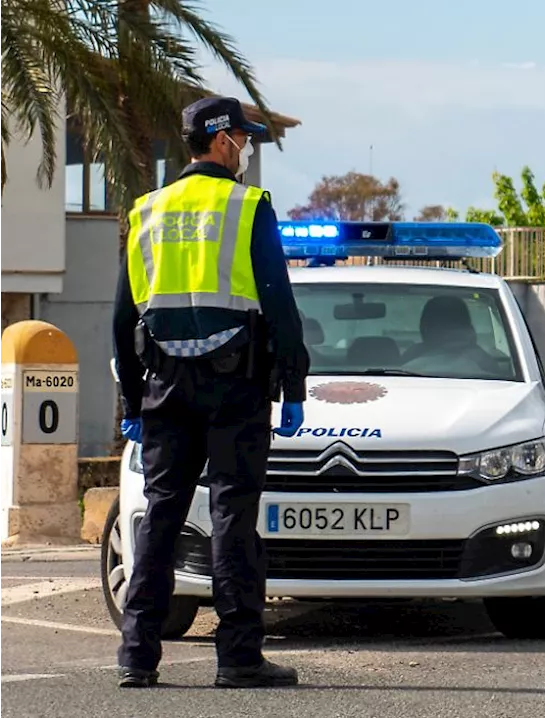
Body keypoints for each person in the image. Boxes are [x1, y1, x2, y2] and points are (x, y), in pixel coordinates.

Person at [111, 96, 311, 689]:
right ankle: (239, 658)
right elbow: (279, 304)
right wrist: (293, 385)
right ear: (222, 141)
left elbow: (123, 318)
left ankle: (137, 659)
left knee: (161, 517)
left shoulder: (146, 210)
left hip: (163, 389)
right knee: (232, 517)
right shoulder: (247, 207)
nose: (247, 149)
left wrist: (131, 402)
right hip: (236, 386)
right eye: (244, 140)